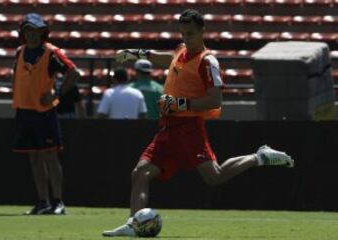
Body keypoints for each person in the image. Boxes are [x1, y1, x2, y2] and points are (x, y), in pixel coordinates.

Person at [102, 9, 294, 237]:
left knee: (215, 176)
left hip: (189, 128)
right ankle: (134, 224)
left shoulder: (207, 61)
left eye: (190, 34)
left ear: (203, 31)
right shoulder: (181, 51)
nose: (186, 38)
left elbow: (215, 100)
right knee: (140, 173)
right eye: (182, 33)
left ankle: (259, 157)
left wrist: (178, 104)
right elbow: (166, 58)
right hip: (167, 127)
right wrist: (136, 53)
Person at [12, 13, 80, 215]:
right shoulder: (20, 52)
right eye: (28, 31)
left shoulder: (51, 53)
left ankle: (58, 201)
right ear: (23, 33)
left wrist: (57, 96)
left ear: (42, 32)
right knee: (34, 158)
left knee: (50, 156)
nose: (32, 35)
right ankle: (42, 201)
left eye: (35, 31)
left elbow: (74, 73)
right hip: (24, 111)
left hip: (44, 113)